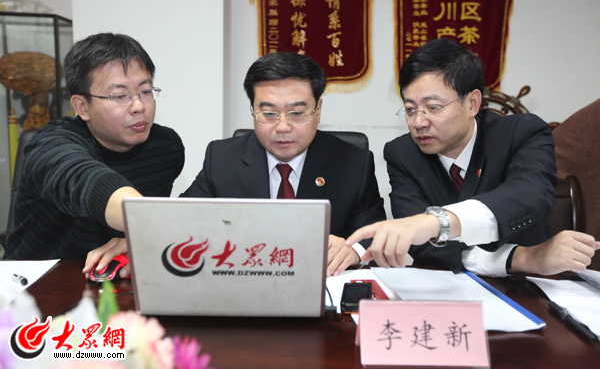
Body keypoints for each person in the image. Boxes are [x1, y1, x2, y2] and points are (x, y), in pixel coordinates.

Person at [347, 38, 598, 276]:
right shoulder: (402, 153)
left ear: (472, 103)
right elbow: (422, 246)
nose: (418, 122)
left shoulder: (521, 133)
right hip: (447, 285)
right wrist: (520, 258)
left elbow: (529, 195)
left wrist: (437, 223)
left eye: (433, 107)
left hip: (524, 286)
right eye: (411, 109)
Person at [181, 51, 386, 276]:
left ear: (317, 111)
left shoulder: (354, 164)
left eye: (296, 113)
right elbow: (181, 221)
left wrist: (354, 251)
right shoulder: (221, 159)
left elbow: (375, 234)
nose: (282, 127)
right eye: (269, 113)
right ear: (253, 110)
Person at [4, 33, 184, 268]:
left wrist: (143, 238)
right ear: (82, 106)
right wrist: (152, 229)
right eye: (120, 96)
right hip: (38, 281)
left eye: (146, 91)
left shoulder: (166, 147)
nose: (139, 106)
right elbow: (89, 182)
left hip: (116, 280)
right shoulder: (50, 145)